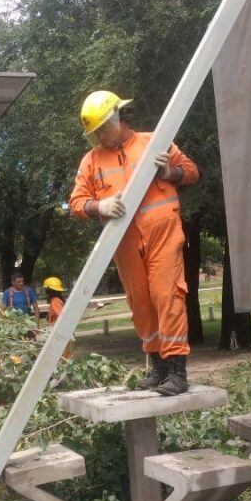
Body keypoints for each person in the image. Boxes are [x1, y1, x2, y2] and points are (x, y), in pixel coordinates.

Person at [69, 90, 199, 395]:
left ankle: (177, 370)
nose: (100, 135)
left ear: (118, 117)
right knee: (141, 303)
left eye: (103, 127)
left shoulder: (154, 141)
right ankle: (158, 366)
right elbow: (76, 202)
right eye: (95, 131)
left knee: (167, 295)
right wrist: (98, 206)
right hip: (125, 243)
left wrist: (170, 172)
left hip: (162, 234)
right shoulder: (91, 161)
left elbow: (192, 172)